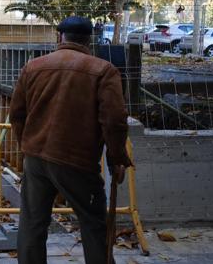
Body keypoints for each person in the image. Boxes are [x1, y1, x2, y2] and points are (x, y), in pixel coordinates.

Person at [9, 16, 132, 264]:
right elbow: (114, 121)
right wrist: (116, 158)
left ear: (59, 37)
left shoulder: (32, 67)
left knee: (32, 224)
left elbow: (16, 114)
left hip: (36, 159)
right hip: (76, 161)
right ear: (90, 40)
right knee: (93, 223)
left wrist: (28, 145)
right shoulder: (103, 70)